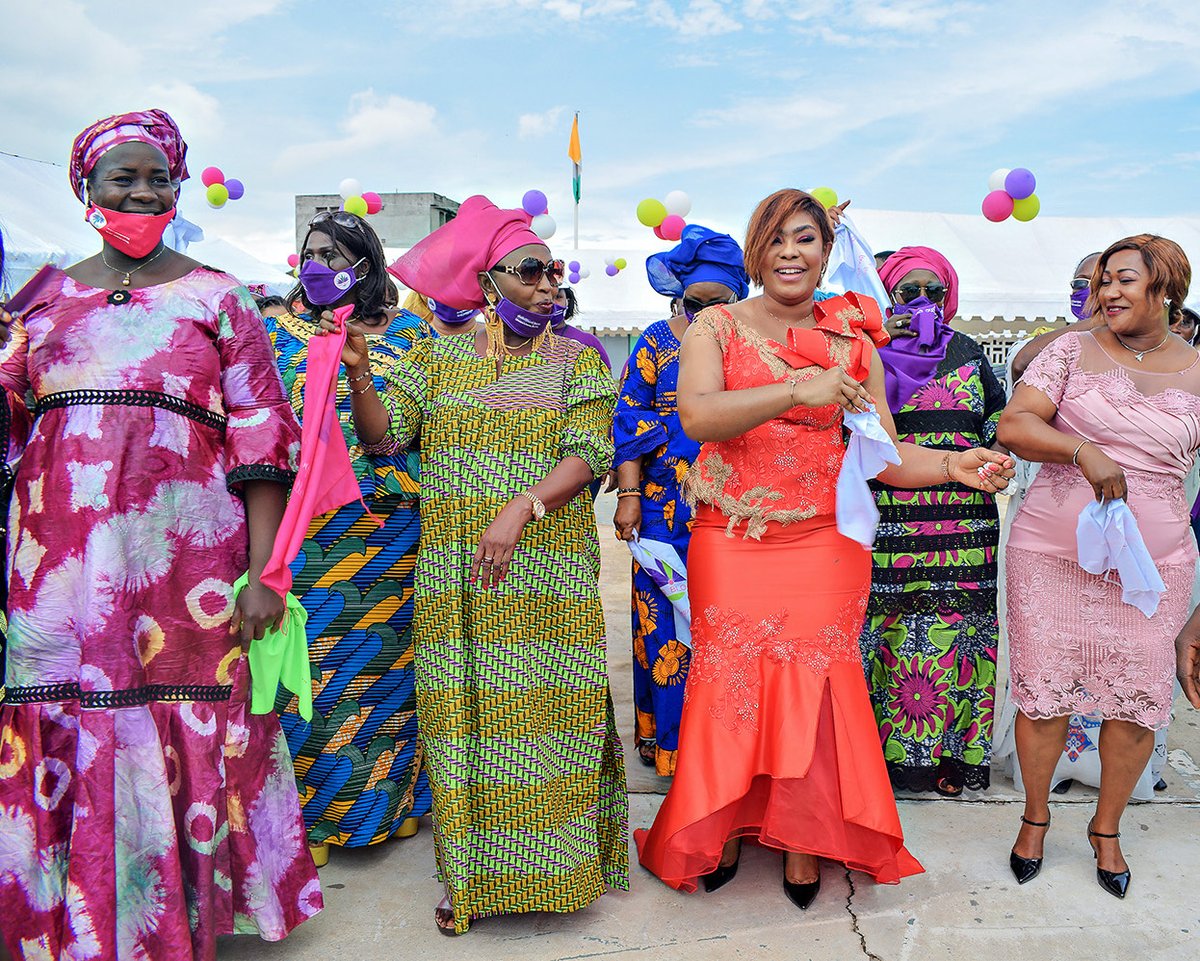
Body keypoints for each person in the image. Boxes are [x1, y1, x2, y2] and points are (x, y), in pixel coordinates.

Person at [0, 110, 320, 961]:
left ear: (178, 188)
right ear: (87, 191)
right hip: (56, 571)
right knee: (58, 718)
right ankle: (67, 919)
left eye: (157, 179)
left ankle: (174, 919)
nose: (142, 193)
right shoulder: (43, 301)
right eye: (122, 179)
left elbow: (262, 444)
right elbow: (11, 426)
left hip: (188, 572)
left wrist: (264, 575)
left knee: (187, 718)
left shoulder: (219, 297)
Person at [635, 189, 1013, 909]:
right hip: (731, 540)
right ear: (755, 251)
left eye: (805, 239)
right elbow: (698, 414)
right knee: (730, 693)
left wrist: (953, 464)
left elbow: (884, 457)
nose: (790, 252)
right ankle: (726, 829)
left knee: (811, 696)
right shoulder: (713, 326)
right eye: (775, 238)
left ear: (824, 252)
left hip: (824, 545)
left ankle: (803, 845)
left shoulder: (854, 344)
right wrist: (797, 387)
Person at [332, 194, 627, 934]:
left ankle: (563, 871)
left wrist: (521, 505)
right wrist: (362, 374)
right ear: (487, 279)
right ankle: (467, 879)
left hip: (545, 574)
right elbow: (384, 439)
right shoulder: (438, 352)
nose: (546, 282)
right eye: (529, 270)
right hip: (454, 572)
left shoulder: (574, 357)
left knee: (548, 716)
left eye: (552, 270)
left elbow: (590, 452)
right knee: (463, 719)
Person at [999, 234, 1197, 899]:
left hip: (1155, 568)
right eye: (1102, 280)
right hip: (1051, 557)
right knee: (1043, 692)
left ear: (1165, 287)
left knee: (1138, 704)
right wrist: (1082, 450)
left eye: (1124, 280)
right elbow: (1015, 423)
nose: (1107, 291)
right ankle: (1034, 815)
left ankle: (1106, 829)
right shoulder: (1068, 351)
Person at [265, 210, 432, 867]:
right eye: (309, 251)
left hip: (384, 526)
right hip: (304, 525)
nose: (317, 262)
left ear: (365, 262)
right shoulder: (275, 328)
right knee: (314, 671)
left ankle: (392, 806)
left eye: (332, 252)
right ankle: (317, 815)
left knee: (386, 671)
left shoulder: (409, 332)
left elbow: (401, 433)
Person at [859, 247, 1007, 797]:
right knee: (886, 634)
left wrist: (996, 452)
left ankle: (950, 759)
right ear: (888, 295)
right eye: (908, 292)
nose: (923, 303)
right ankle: (881, 758)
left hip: (964, 521)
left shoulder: (968, 351)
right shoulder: (868, 353)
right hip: (889, 520)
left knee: (958, 638)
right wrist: (876, 338)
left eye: (934, 292)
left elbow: (997, 417)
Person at [612, 225, 750, 775]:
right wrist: (626, 496)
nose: (706, 316)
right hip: (660, 505)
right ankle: (669, 743)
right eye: (695, 304)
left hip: (732, 503)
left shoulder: (751, 342)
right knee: (665, 625)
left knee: (723, 624)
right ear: (679, 295)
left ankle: (722, 745)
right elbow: (627, 421)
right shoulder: (655, 339)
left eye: (721, 303)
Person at [553, 284, 613, 370]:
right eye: (546, 296)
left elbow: (606, 378)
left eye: (558, 297)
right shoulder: (527, 341)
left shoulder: (587, 341)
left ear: (567, 301)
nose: (552, 302)